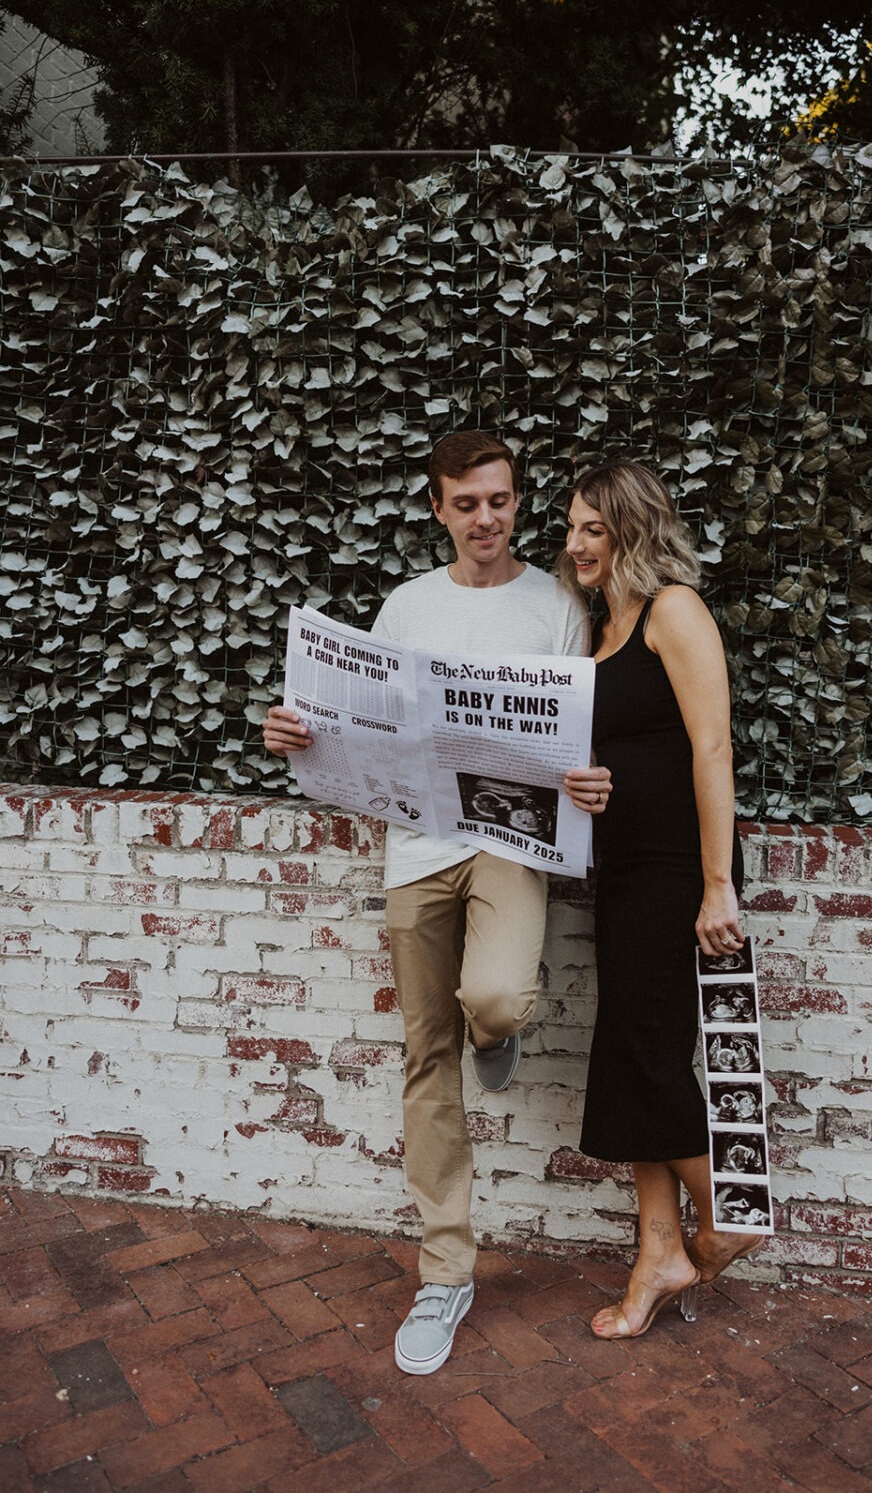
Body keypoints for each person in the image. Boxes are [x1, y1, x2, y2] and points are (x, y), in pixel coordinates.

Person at [263, 430, 609, 1375]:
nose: (486, 519)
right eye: (467, 504)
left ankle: (500, 1033)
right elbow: (357, 731)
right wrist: (296, 732)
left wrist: (588, 784)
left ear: (515, 500)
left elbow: (581, 733)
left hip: (510, 847)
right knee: (427, 1057)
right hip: (415, 853)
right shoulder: (406, 606)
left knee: (492, 999)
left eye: (499, 500)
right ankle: (446, 1273)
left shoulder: (558, 605)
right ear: (438, 509)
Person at [561, 460, 762, 1340]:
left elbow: (712, 748)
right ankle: (659, 1253)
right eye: (570, 528)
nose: (574, 545)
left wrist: (718, 884)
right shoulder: (601, 630)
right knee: (630, 1049)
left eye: (593, 530)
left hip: (681, 866)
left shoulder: (675, 610)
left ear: (632, 531)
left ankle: (730, 1210)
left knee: (644, 1049)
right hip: (624, 865)